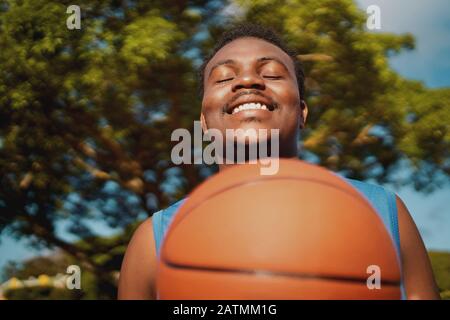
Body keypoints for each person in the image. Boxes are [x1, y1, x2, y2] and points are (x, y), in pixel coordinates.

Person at [117, 23, 440, 300]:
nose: (247, 82)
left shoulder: (383, 210)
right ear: (203, 121)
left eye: (271, 73)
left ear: (301, 111)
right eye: (223, 78)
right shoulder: (154, 240)